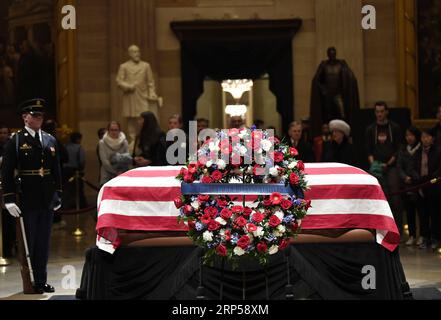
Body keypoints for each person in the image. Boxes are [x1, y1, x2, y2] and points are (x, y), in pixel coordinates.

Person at [1, 98, 62, 293]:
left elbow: (56, 170)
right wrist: (9, 199)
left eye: (41, 116)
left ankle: (41, 281)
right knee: (29, 242)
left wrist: (58, 194)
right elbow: (6, 172)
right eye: (35, 115)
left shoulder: (50, 139)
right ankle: (29, 281)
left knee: (43, 242)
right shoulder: (16, 140)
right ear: (25, 117)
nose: (38, 119)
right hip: (26, 197)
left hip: (46, 198)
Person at [365, 101, 403, 234]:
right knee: (377, 197)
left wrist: (388, 164)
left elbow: (398, 149)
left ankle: (397, 229)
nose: (379, 114)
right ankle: (379, 229)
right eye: (377, 112)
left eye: (382, 111)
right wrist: (374, 165)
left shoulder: (395, 127)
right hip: (376, 166)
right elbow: (368, 151)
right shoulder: (370, 129)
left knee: (395, 197)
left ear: (386, 112)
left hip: (391, 166)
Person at [310, 47, 360, 137]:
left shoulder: (341, 64)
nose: (332, 55)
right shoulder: (324, 65)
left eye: (333, 53)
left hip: (338, 95)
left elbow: (349, 76)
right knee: (328, 115)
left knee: (342, 114)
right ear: (328, 54)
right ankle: (329, 133)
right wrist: (323, 89)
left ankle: (343, 133)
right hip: (328, 95)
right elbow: (317, 80)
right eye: (330, 53)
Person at [408, 129, 441, 250]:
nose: (425, 139)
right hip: (420, 187)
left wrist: (429, 178)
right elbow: (411, 168)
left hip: (434, 187)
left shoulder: (438, 152)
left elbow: (439, 169)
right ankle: (425, 237)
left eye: (428, 137)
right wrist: (418, 178)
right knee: (423, 215)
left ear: (432, 138)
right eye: (423, 137)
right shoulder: (417, 152)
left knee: (435, 214)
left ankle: (436, 238)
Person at [396, 126, 422, 245]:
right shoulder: (402, 150)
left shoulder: (421, 149)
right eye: (407, 135)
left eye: (411, 135)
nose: (409, 138)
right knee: (410, 212)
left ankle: (422, 235)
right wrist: (404, 177)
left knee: (421, 212)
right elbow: (399, 166)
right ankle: (411, 235)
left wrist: (415, 178)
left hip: (419, 184)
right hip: (406, 184)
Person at [0, 124, 16, 258]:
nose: (4, 136)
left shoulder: (11, 146)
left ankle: (9, 247)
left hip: (8, 189)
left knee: (9, 222)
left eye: (6, 133)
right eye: (1, 133)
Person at [98, 121, 129, 185]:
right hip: (107, 174)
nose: (113, 132)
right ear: (108, 131)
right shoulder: (102, 142)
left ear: (119, 131)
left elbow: (127, 157)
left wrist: (120, 172)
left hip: (121, 174)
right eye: (111, 130)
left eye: (116, 130)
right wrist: (115, 172)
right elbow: (104, 161)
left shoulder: (124, 142)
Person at [63, 132, 87, 209]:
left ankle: (65, 205)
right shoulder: (79, 148)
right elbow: (82, 161)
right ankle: (81, 205)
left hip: (65, 171)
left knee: (66, 189)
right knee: (79, 189)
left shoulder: (65, 146)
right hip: (76, 171)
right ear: (78, 139)